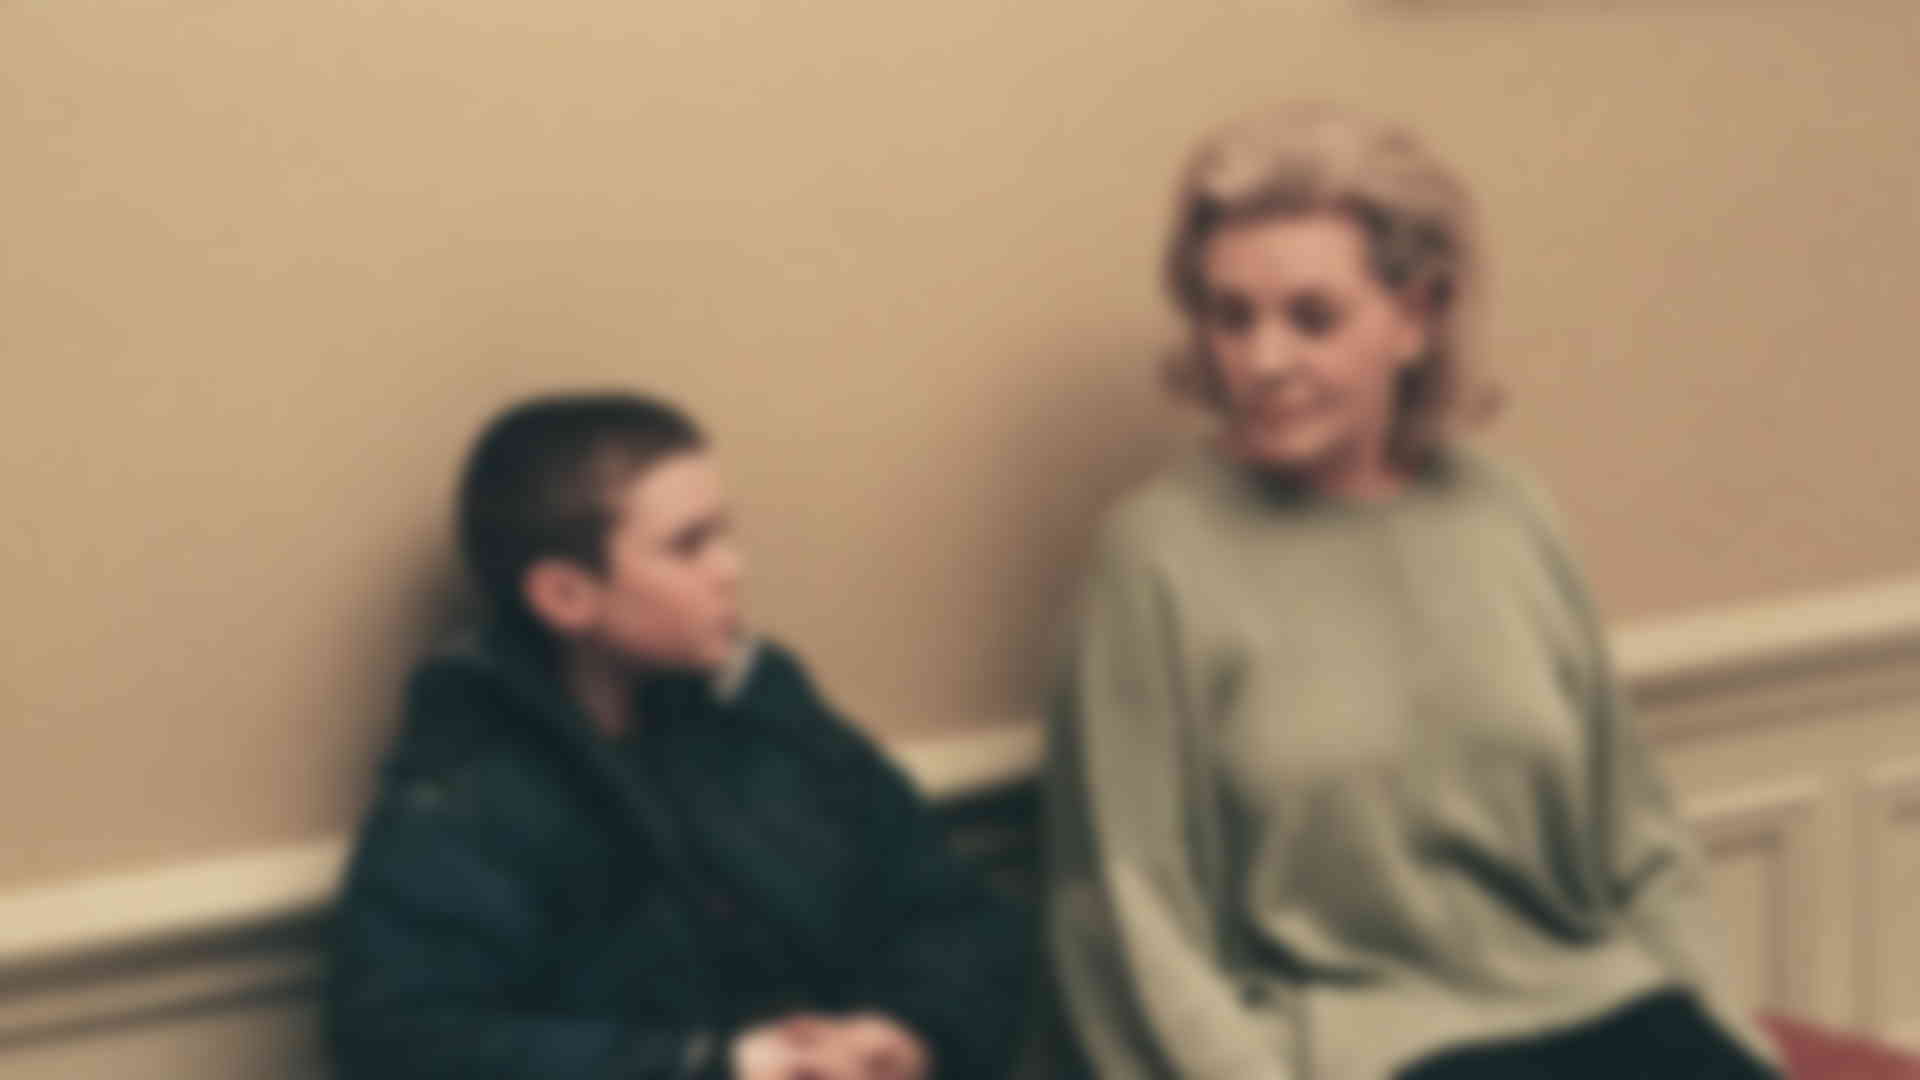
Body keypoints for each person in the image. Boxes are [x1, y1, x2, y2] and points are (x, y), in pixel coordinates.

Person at [1044, 102, 1781, 1079]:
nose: (1262, 360)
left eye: (1312, 317)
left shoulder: (1508, 512)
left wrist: (1728, 1037)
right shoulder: (1154, 558)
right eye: (1231, 316)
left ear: (1418, 316)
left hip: (1603, 1008)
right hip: (1362, 1050)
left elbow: (1641, 846)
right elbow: (1130, 921)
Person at [328, 392, 1028, 1080]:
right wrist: (717, 1067)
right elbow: (412, 1042)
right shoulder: (468, 785)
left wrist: (906, 1033)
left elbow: (951, 910)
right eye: (689, 545)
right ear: (566, 595)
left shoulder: (763, 703)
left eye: (725, 535)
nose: (732, 569)